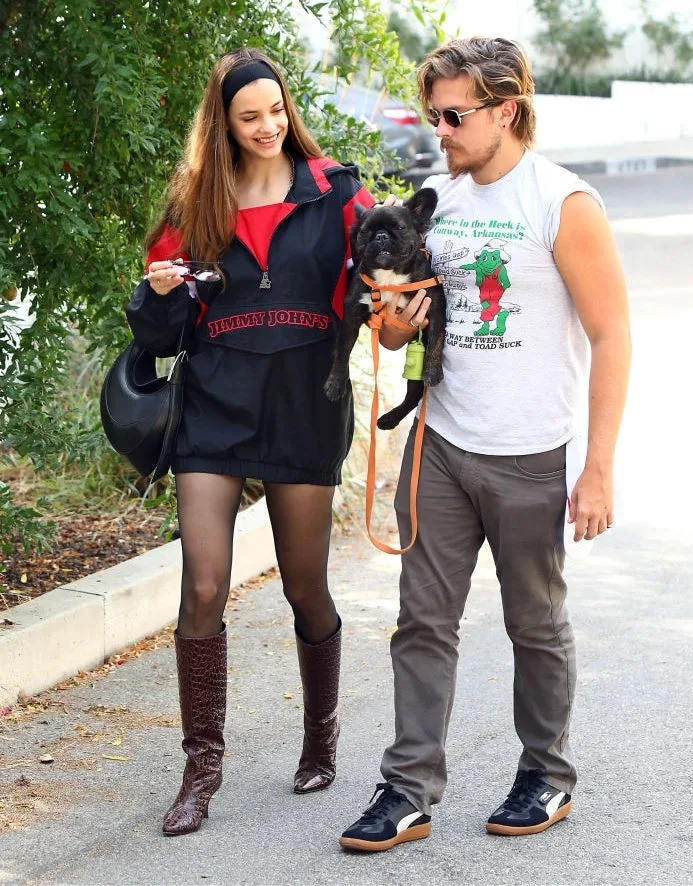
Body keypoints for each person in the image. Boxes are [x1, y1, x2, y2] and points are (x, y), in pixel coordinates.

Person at [339, 36, 631, 852]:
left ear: (507, 108)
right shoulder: (437, 197)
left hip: (533, 452)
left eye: (456, 115)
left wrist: (597, 467)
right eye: (434, 115)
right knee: (422, 623)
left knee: (534, 624)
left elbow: (612, 335)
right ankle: (406, 789)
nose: (441, 130)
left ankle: (545, 773)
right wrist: (393, 329)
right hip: (441, 442)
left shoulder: (561, 203)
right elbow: (400, 337)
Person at [125, 47, 377, 836]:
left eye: (276, 111)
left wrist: (400, 300)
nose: (268, 127)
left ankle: (320, 736)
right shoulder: (193, 206)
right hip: (216, 407)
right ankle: (201, 770)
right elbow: (161, 333)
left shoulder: (338, 191)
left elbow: (382, 273)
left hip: (306, 405)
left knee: (305, 587)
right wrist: (158, 292)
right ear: (223, 124)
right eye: (249, 117)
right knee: (202, 588)